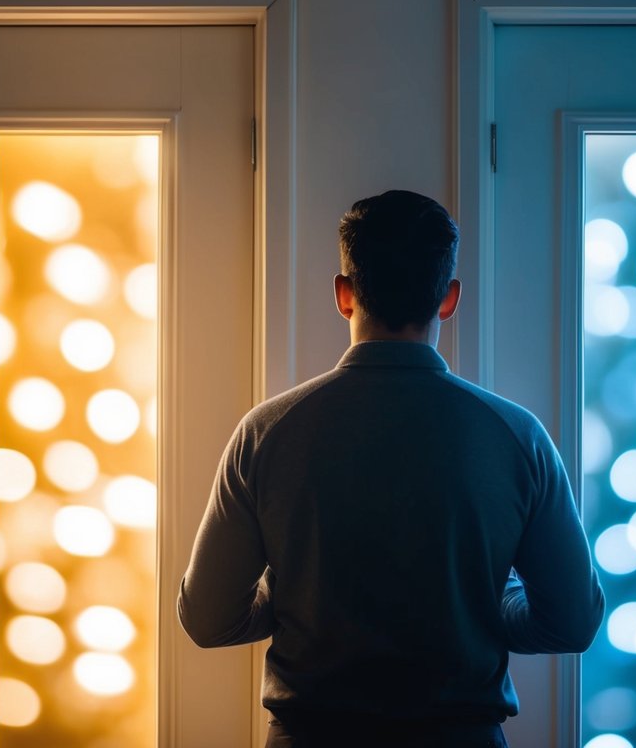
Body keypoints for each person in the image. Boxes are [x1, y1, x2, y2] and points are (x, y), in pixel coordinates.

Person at [178, 190, 605, 747]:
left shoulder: (266, 432)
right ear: (449, 299)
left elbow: (209, 620)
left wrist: (293, 599)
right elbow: (571, 622)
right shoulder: (516, 435)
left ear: (343, 294)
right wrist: (486, 598)